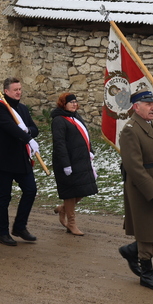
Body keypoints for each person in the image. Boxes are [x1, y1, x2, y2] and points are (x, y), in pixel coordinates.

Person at [117, 91, 153, 292]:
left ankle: (131, 251)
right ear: (136, 106)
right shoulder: (131, 130)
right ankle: (147, 273)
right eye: (148, 104)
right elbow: (134, 166)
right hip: (142, 188)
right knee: (147, 229)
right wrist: (152, 192)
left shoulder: (152, 125)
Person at [0, 77, 39, 246]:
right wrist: (26, 137)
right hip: (5, 158)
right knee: (4, 198)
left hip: (22, 158)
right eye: (15, 90)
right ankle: (2, 233)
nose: (18, 92)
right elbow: (8, 127)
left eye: (20, 89)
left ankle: (19, 226)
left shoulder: (23, 109)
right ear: (6, 91)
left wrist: (28, 131)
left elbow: (35, 129)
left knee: (31, 190)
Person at [50, 92, 98, 236]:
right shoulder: (59, 120)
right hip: (68, 161)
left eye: (75, 102)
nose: (74, 104)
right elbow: (59, 143)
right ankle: (71, 223)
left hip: (81, 159)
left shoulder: (76, 117)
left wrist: (90, 150)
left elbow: (85, 136)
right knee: (71, 192)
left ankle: (63, 208)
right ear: (63, 104)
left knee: (84, 188)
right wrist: (66, 164)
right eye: (71, 102)